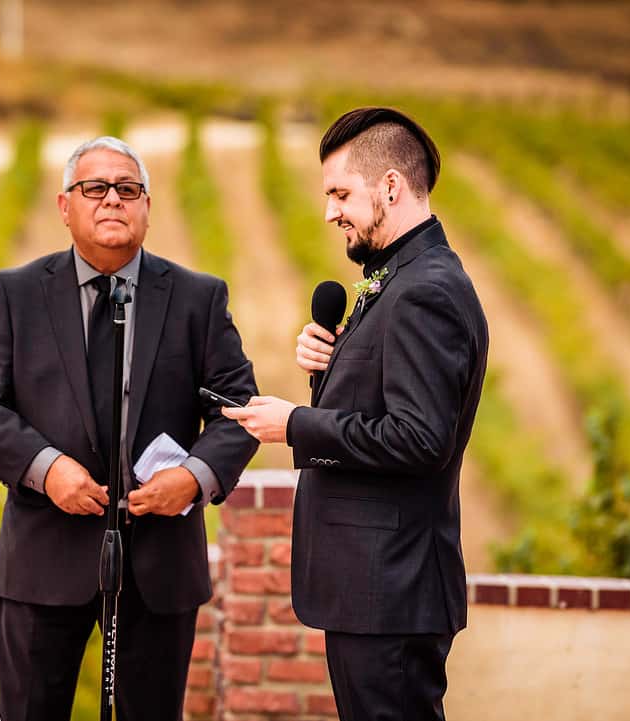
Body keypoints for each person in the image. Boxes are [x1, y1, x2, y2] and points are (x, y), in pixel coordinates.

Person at [0, 136, 259, 720]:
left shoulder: (197, 297)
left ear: (147, 205)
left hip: (161, 560)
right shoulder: (15, 294)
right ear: (65, 206)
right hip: (46, 554)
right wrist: (48, 470)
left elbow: (237, 409)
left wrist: (193, 479)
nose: (112, 200)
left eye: (128, 189)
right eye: (95, 188)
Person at [223, 108, 488, 721]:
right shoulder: (399, 279)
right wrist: (328, 371)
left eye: (340, 192)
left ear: (390, 187)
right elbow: (388, 413)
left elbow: (421, 439)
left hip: (390, 592)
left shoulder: (426, 290)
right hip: (377, 592)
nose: (329, 211)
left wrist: (294, 424)